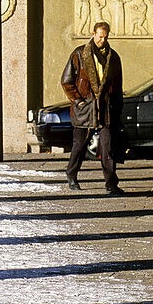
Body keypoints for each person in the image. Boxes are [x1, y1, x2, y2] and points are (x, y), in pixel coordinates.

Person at [61, 21, 124, 195]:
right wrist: (78, 101)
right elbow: (66, 81)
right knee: (79, 145)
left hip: (106, 108)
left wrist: (117, 107)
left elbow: (117, 86)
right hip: (85, 107)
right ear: (93, 34)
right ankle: (71, 175)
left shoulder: (114, 57)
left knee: (107, 147)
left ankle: (111, 184)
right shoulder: (79, 54)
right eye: (99, 36)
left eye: (105, 37)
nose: (102, 40)